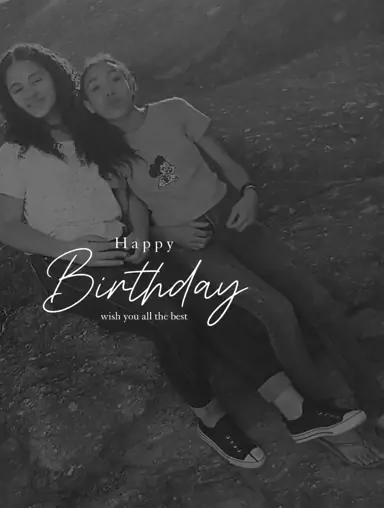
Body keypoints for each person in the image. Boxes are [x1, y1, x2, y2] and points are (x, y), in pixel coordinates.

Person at [77, 52, 384, 468]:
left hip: (231, 216)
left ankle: (375, 403)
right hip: (192, 242)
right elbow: (133, 210)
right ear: (89, 105)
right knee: (275, 310)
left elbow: (222, 161)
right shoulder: (107, 152)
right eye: (96, 87)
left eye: (114, 78)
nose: (109, 90)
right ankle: (326, 417)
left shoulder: (173, 111)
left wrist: (249, 194)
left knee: (318, 301)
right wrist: (168, 233)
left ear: (130, 82)